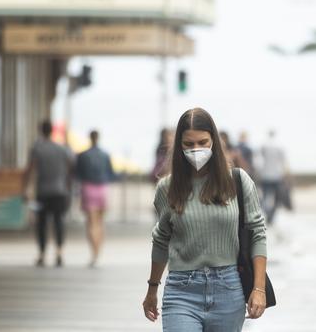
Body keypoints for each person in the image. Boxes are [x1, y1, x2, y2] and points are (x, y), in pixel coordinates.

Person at [142, 108, 268, 331]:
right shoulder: (166, 188)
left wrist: (259, 289)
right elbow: (161, 240)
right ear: (179, 145)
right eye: (188, 144)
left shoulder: (237, 181)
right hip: (181, 291)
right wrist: (152, 290)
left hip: (228, 289)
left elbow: (257, 233)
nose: (196, 149)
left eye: (202, 142)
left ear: (214, 142)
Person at [22, 120, 73, 267]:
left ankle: (42, 254)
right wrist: (68, 189)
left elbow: (30, 170)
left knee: (42, 224)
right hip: (60, 191)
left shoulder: (37, 149)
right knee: (59, 222)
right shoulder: (62, 149)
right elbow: (70, 170)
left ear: (41, 131)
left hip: (43, 192)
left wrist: (25, 188)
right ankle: (59, 252)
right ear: (52, 131)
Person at [75, 130, 116, 268]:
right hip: (103, 189)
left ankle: (94, 253)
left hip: (88, 188)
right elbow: (111, 174)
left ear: (90, 138)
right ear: (98, 138)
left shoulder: (82, 155)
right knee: (100, 223)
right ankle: (98, 252)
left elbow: (77, 174)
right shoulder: (105, 155)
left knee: (91, 224)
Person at [259, 130, 287, 225]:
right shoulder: (279, 146)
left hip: (265, 174)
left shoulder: (264, 145)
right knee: (276, 198)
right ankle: (271, 215)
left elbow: (259, 159)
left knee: (266, 196)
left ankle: (268, 213)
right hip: (276, 175)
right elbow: (283, 162)